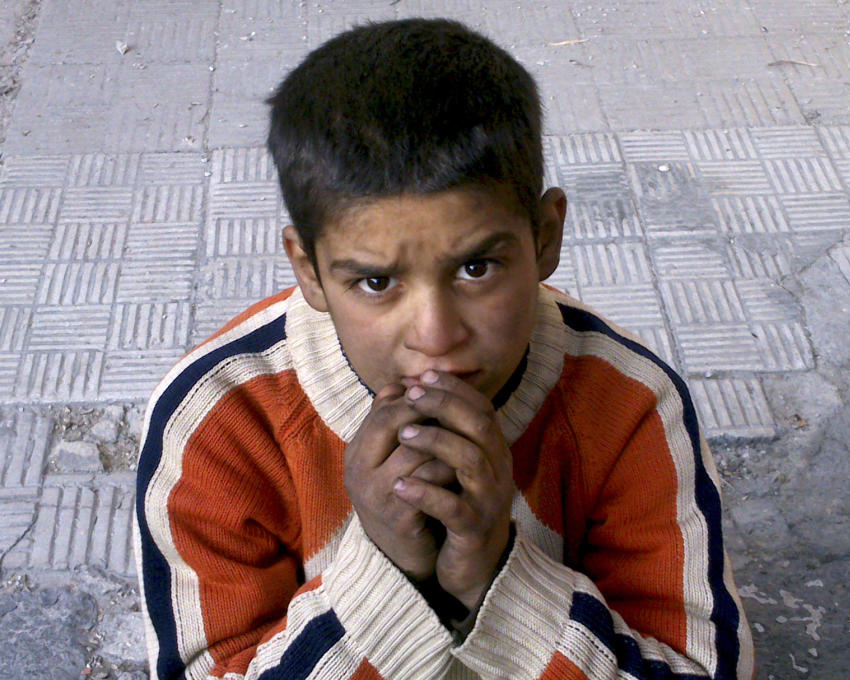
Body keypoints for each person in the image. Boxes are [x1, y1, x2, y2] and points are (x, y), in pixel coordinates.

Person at [135, 17, 753, 680]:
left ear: (545, 237)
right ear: (309, 269)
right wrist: (386, 570)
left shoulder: (629, 405)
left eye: (476, 268)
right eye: (375, 281)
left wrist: (494, 573)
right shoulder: (221, 422)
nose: (434, 335)